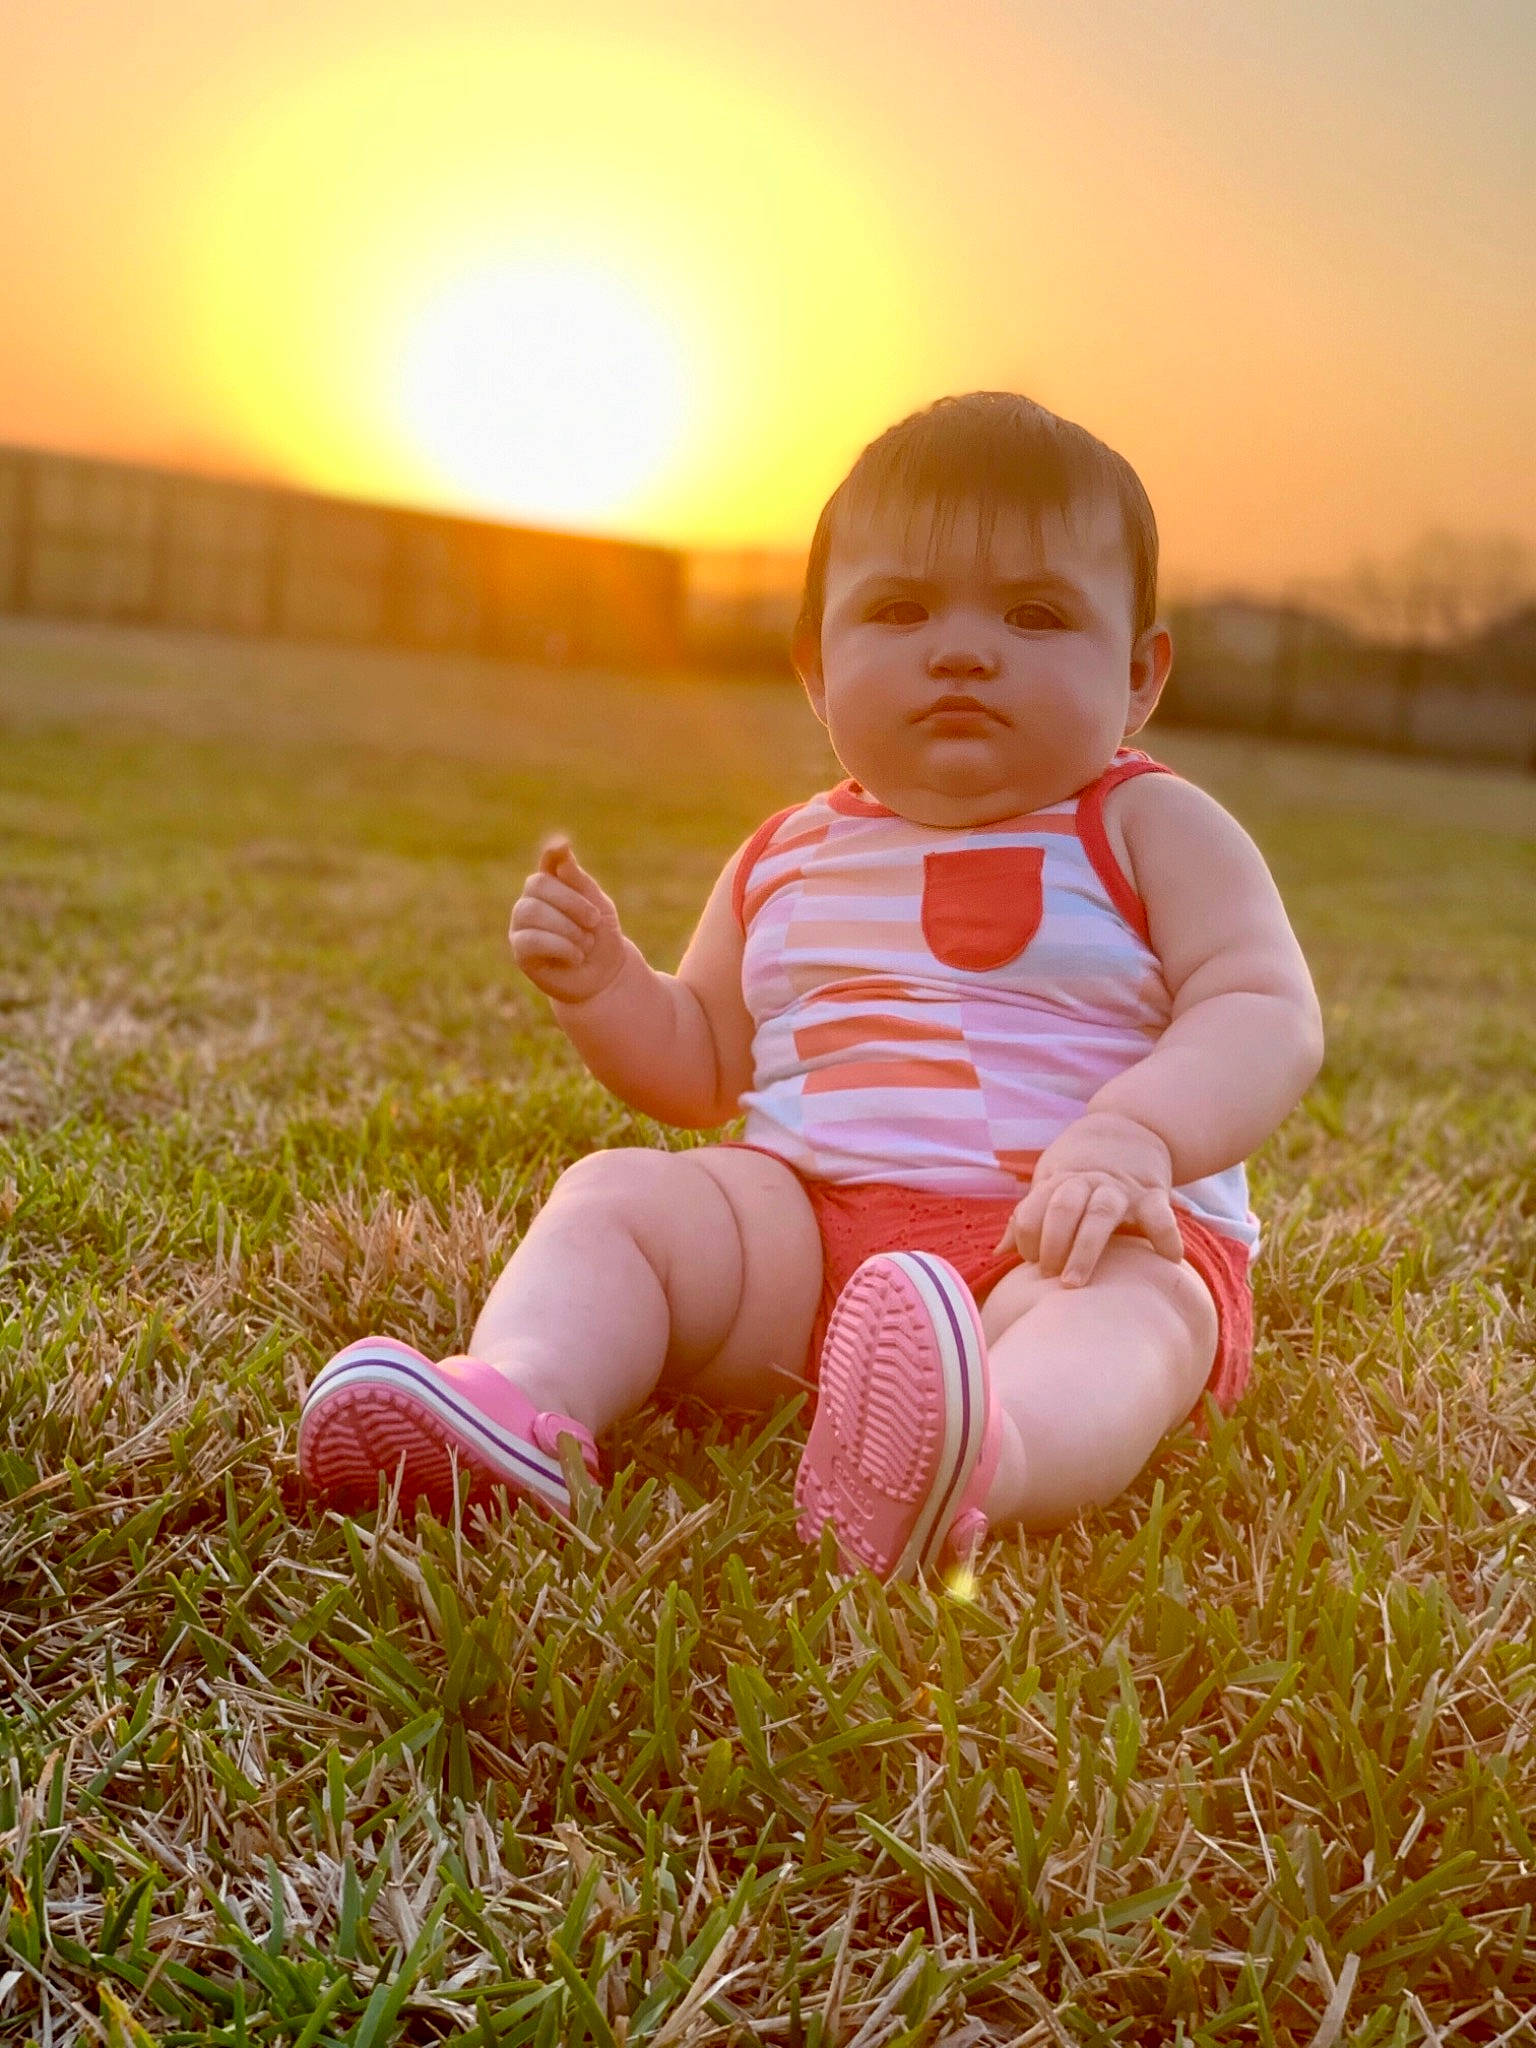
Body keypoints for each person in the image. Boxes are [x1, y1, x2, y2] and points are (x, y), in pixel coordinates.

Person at [297, 392, 1324, 1581]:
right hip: (812, 1247)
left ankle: (983, 1450)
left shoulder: (1148, 824)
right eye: (899, 609)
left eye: (1037, 614)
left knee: (1137, 1306)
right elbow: (699, 1067)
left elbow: (1264, 1008)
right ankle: (520, 1402)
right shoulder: (785, 854)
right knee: (623, 1192)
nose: (963, 648)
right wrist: (607, 988)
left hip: (1070, 1234)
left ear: (1140, 677)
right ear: (815, 669)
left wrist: (1135, 1137)